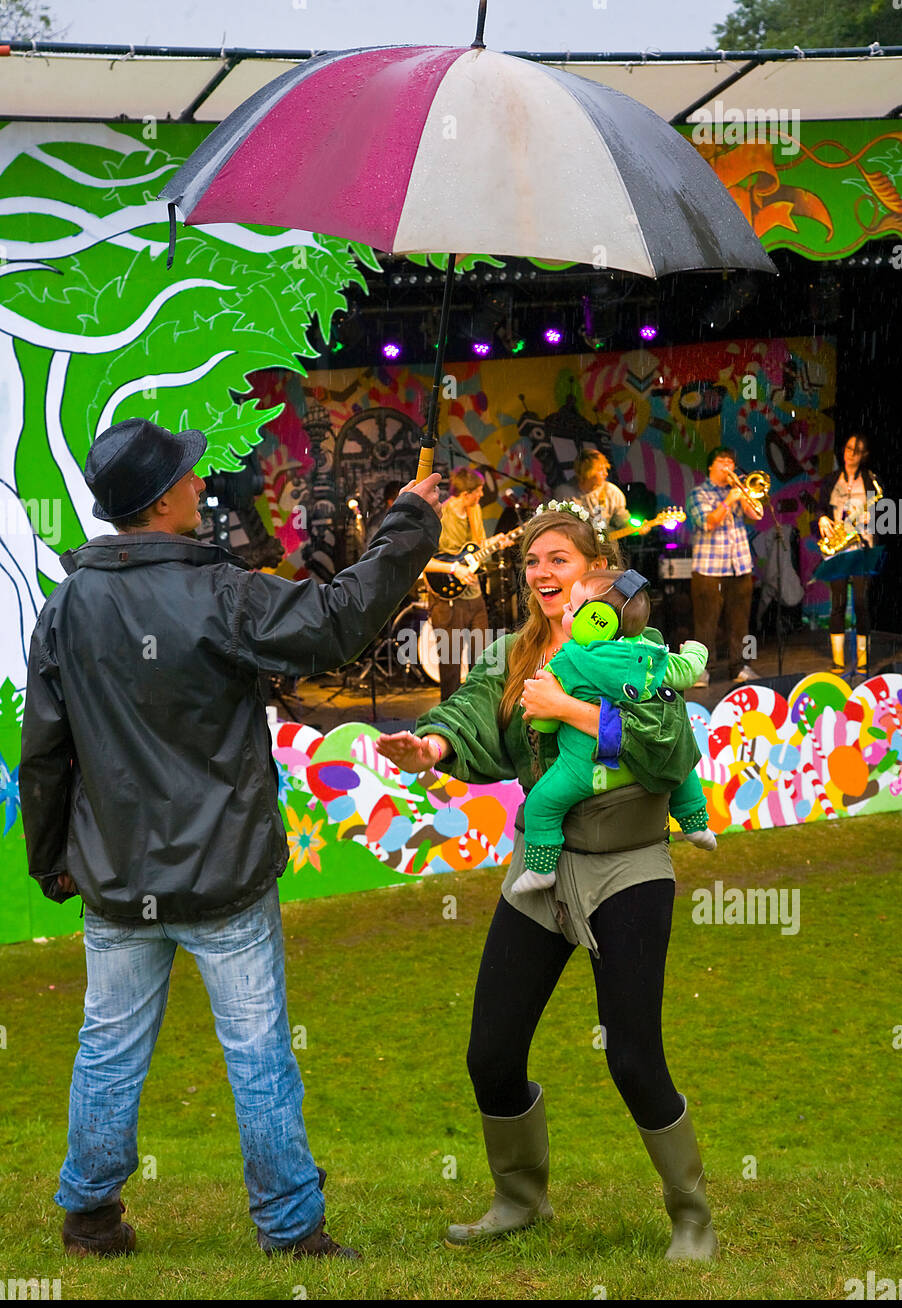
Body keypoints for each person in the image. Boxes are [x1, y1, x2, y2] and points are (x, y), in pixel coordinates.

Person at [19, 417, 441, 1263]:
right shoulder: (221, 592)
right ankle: (291, 1232)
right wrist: (408, 525)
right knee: (256, 1057)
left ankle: (90, 1218)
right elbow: (339, 619)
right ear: (162, 499)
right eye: (185, 476)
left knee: (108, 1049)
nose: (198, 484)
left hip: (118, 880)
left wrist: (53, 862)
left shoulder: (72, 605)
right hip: (225, 880)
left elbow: (44, 750)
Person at [376, 507, 718, 1261]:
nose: (543, 575)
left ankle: (692, 1218)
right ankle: (518, 1199)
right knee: (490, 1054)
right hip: (542, 868)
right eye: (533, 562)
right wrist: (430, 743)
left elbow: (671, 747)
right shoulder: (513, 653)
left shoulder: (638, 650)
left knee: (632, 1056)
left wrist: (572, 710)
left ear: (597, 570)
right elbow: (472, 713)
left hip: (630, 866)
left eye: (559, 560)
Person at [509, 562, 715, 895]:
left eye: (572, 608)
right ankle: (696, 826)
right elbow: (687, 672)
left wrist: (536, 712)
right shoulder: (648, 654)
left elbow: (545, 723)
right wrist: (695, 648)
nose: (565, 611)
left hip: (585, 771)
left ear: (596, 623)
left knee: (543, 803)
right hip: (641, 765)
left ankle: (540, 868)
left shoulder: (566, 660)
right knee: (680, 762)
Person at [686, 446, 762, 687]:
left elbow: (758, 514)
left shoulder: (737, 491)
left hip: (739, 566)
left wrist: (744, 493)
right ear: (711, 466)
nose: (728, 466)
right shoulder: (698, 493)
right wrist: (729, 500)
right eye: (722, 462)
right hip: (709, 570)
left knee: (740, 621)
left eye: (730, 462)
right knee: (706, 623)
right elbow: (708, 522)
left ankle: (740, 666)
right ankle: (702, 671)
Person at [423, 466, 492, 701]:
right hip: (447, 599)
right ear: (466, 493)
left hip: (474, 595)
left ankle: (477, 710)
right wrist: (454, 568)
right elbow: (422, 561)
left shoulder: (475, 510)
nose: (481, 495)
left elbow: (479, 550)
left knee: (481, 659)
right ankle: (449, 720)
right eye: (479, 491)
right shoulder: (440, 515)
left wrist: (496, 543)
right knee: (450, 665)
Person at [816, 433, 882, 675]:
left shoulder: (871, 480)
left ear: (863, 455)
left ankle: (863, 660)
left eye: (856, 449)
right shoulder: (831, 479)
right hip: (838, 547)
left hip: (862, 546)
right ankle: (838, 661)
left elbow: (885, 514)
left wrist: (873, 517)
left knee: (862, 604)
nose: (850, 452)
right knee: (838, 604)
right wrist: (822, 517)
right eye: (848, 447)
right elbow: (820, 507)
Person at [554, 445, 631, 535]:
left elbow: (622, 521)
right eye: (600, 470)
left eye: (605, 469)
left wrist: (635, 528)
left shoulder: (612, 492)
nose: (605, 473)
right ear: (587, 472)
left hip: (604, 547)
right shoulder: (564, 493)